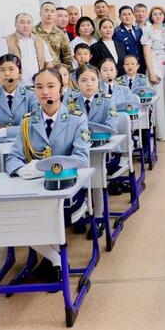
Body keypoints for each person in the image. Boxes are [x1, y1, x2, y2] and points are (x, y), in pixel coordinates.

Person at [5, 67, 90, 280]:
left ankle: (52, 260)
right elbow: (13, 158)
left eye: (51, 86)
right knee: (14, 219)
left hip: (66, 190)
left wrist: (44, 168)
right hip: (33, 190)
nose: (45, 92)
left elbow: (81, 158)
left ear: (61, 88)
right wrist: (21, 169)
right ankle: (56, 259)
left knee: (40, 216)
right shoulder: (27, 121)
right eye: (39, 87)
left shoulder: (77, 118)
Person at [66, 64, 118, 238]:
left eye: (93, 80)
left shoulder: (107, 99)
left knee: (96, 179)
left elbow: (111, 125)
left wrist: (85, 132)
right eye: (84, 80)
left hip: (100, 149)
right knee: (78, 179)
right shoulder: (70, 101)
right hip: (78, 150)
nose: (89, 84)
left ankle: (98, 216)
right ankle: (81, 214)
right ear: (76, 82)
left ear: (99, 81)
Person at [0, 55, 39, 140]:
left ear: (20, 71)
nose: (7, 74)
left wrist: (4, 132)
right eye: (2, 70)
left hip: (27, 143)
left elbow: (36, 125)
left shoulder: (32, 95)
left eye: (11, 69)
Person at [0, 12, 53, 86]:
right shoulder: (5, 41)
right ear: (15, 24)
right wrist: (3, 87)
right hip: (16, 87)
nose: (26, 26)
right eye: (22, 22)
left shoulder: (40, 41)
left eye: (29, 23)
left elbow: (48, 63)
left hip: (38, 85)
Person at [142, 5, 165, 141]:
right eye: (155, 14)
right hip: (155, 66)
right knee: (158, 101)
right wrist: (151, 72)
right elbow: (146, 53)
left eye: (160, 13)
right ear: (151, 17)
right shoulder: (148, 31)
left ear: (164, 16)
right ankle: (161, 133)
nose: (158, 16)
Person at [33, 1, 73, 70]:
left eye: (52, 11)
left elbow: (67, 55)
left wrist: (66, 70)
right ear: (40, 13)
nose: (49, 14)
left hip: (57, 71)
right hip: (38, 71)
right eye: (46, 11)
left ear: (55, 14)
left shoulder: (60, 33)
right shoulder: (33, 32)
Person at [114, 5, 145, 74]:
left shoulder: (138, 30)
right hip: (127, 67)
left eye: (129, 14)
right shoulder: (117, 32)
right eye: (124, 15)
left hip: (140, 66)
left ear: (133, 15)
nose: (127, 17)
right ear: (119, 17)